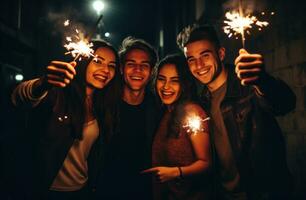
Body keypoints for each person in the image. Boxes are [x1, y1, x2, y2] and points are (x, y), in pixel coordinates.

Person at [176, 24, 296, 199]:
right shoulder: (201, 103)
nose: (199, 65)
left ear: (221, 54)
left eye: (205, 55)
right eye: (191, 59)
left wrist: (263, 81)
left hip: (262, 193)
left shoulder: (247, 85)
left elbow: (286, 104)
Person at [11, 39, 121, 200]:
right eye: (97, 61)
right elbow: (18, 97)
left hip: (82, 189)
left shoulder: (103, 105)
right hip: (46, 190)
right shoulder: (58, 93)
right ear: (83, 61)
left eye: (112, 66)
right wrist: (43, 83)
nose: (106, 70)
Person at [96, 36, 159, 199]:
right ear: (122, 69)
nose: (137, 70)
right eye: (131, 64)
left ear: (151, 71)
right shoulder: (102, 103)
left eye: (144, 65)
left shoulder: (159, 108)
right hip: (105, 190)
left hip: (145, 192)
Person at [142, 54, 211, 199]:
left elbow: (206, 163)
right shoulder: (165, 112)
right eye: (161, 79)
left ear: (185, 84)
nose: (166, 87)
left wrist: (175, 172)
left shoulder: (192, 112)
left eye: (175, 81)